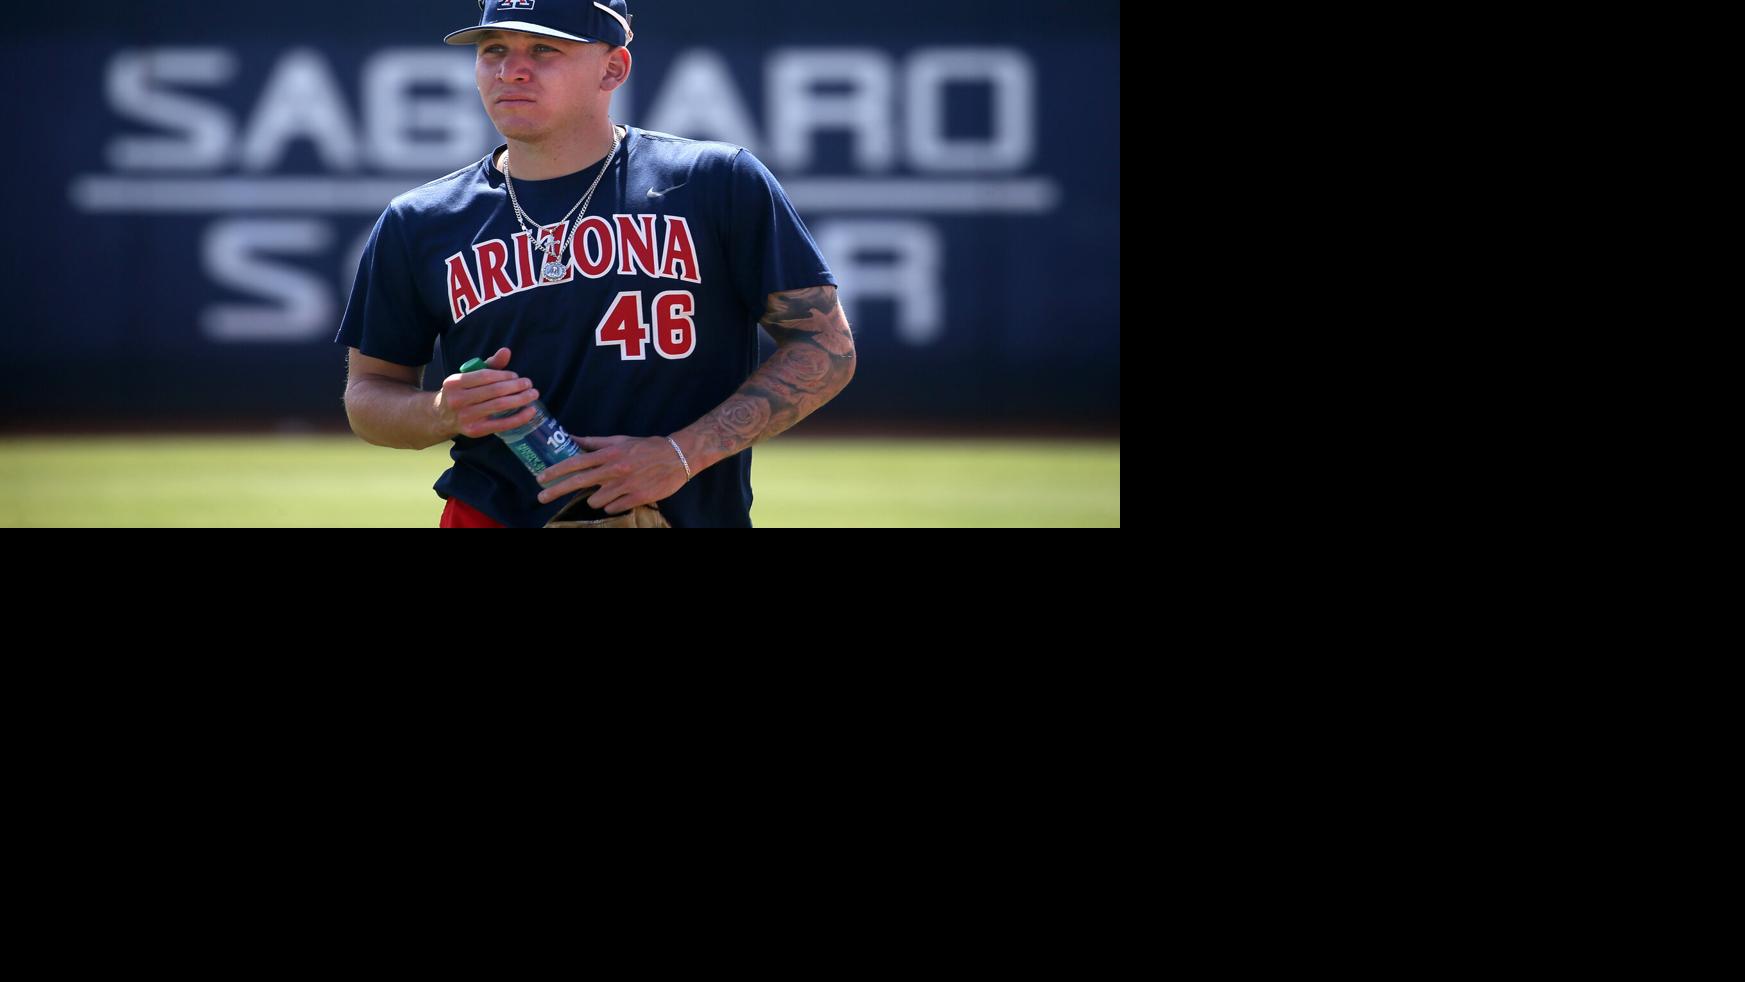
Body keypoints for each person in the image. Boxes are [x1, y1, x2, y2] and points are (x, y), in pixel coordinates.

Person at [335, 0, 856, 527]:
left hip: (679, 514)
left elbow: (826, 346)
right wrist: (439, 412)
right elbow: (369, 393)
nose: (510, 69)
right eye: (493, 49)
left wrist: (681, 453)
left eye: (543, 48)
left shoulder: (715, 182)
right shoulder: (420, 219)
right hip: (492, 514)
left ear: (613, 68)